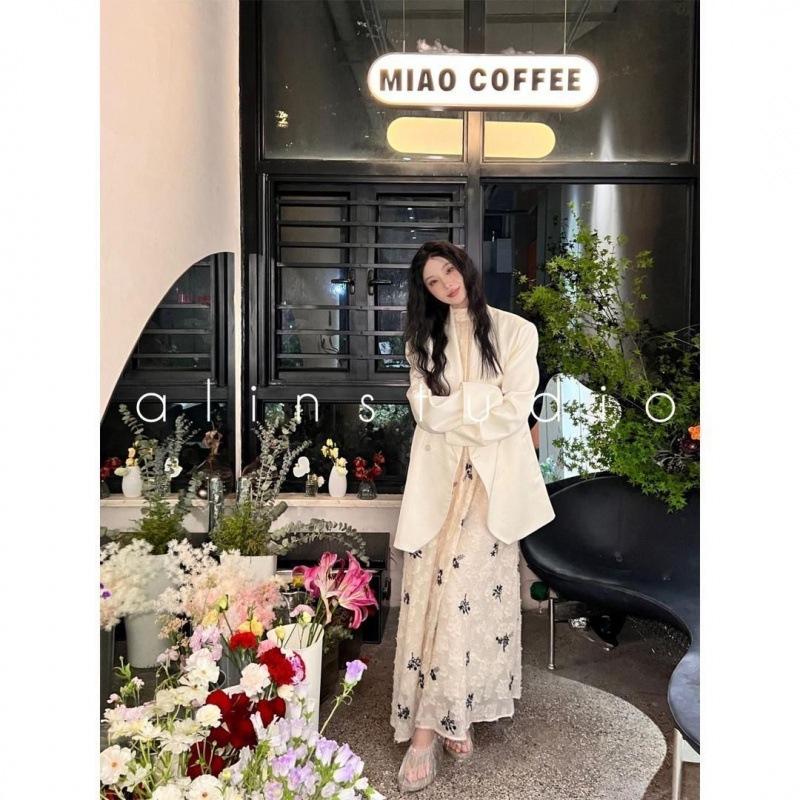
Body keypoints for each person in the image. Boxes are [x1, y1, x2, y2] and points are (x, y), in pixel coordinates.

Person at [391, 241, 555, 792]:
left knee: (468, 597)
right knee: (429, 596)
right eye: (433, 282)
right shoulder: (423, 340)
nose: (446, 285)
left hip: (489, 488)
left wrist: (457, 406)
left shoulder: (516, 332)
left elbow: (516, 409)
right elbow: (423, 409)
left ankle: (451, 713)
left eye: (449, 271)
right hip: (438, 484)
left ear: (465, 266)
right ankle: (428, 727)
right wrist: (478, 398)